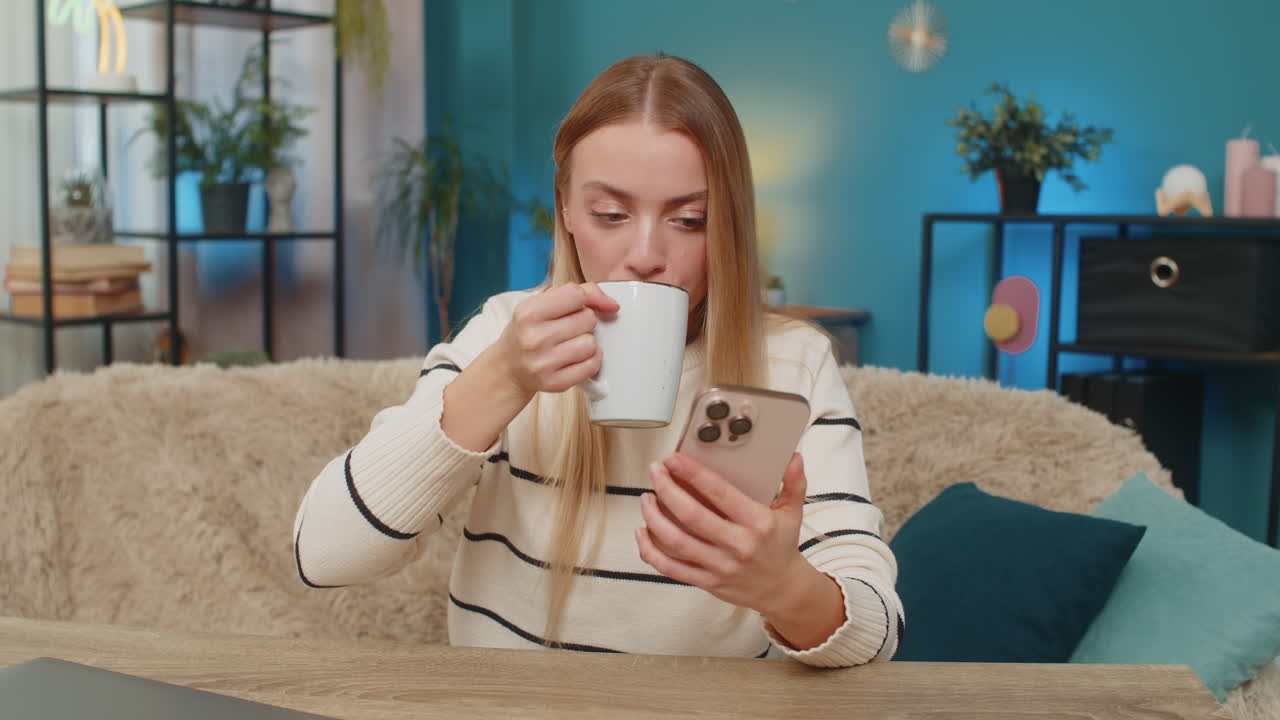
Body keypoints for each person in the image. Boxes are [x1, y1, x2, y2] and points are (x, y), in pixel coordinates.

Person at [294, 53, 902, 666]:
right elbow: (323, 555)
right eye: (610, 214)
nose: (645, 254)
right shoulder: (505, 333)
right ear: (564, 208)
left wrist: (785, 589)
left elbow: (875, 629)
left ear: (730, 225)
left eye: (691, 220)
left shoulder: (792, 362)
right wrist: (503, 378)